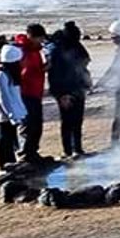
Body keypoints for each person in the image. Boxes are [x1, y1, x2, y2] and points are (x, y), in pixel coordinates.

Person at [46, 21, 93, 158]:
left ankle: (78, 148)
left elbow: (84, 62)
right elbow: (54, 75)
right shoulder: (57, 51)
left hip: (78, 88)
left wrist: (86, 83)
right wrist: (61, 94)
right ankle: (68, 151)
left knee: (77, 120)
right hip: (64, 91)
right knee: (67, 121)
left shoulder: (76, 46)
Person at [12, 22, 49, 162]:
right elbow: (25, 73)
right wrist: (43, 69)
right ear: (32, 37)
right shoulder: (22, 50)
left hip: (35, 92)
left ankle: (32, 152)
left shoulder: (35, 50)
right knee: (27, 124)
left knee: (37, 124)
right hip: (26, 93)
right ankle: (24, 155)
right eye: (40, 38)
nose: (42, 41)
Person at [0, 43, 29, 170]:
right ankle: (4, 167)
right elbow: (3, 98)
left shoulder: (11, 74)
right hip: (4, 116)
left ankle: (11, 165)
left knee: (12, 142)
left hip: (14, 114)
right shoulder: (0, 75)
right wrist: (12, 115)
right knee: (4, 143)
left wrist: (20, 112)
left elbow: (15, 95)